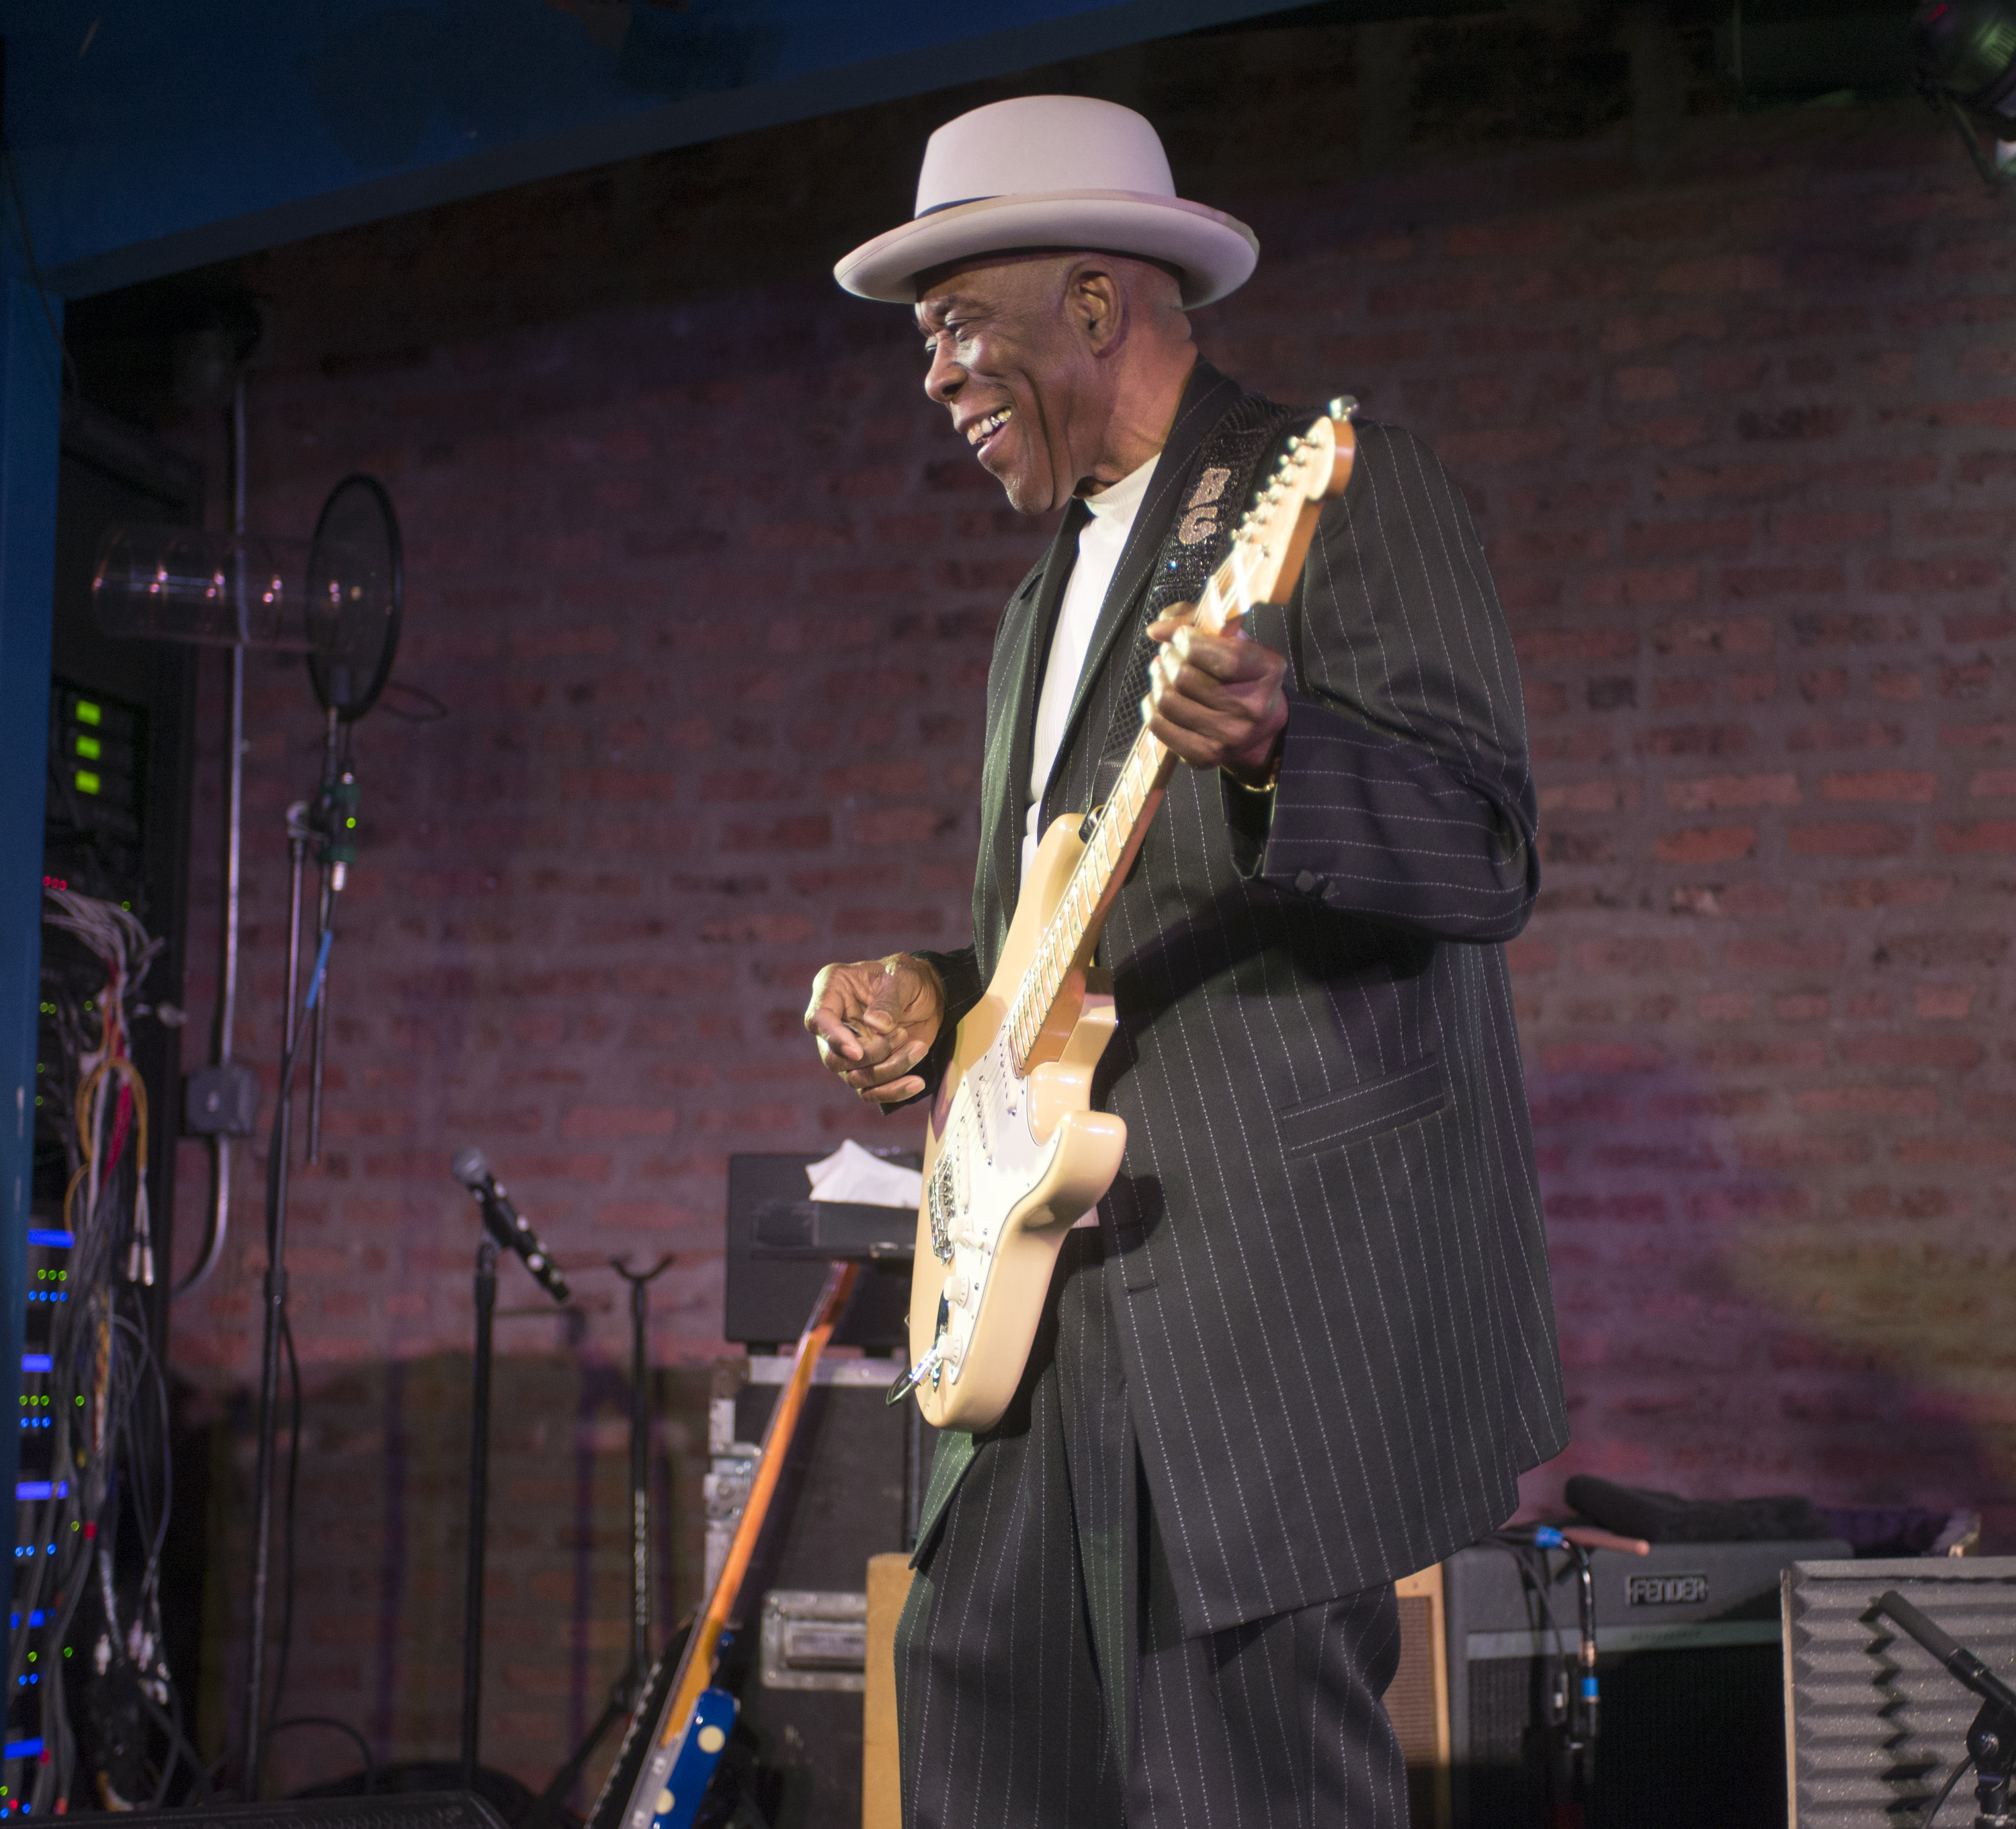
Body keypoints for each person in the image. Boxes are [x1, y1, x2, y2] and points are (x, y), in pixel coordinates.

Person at [804, 95, 1567, 1827]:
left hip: (1255, 1313)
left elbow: (1486, 849)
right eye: (923, 338)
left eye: (956, 323)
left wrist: (1286, 747)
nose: (934, 374)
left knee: (1243, 1784)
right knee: (974, 1740)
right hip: (1039, 1307)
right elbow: (1081, 934)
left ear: (1095, 303)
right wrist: (938, 991)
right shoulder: (1038, 604)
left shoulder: (1333, 487)